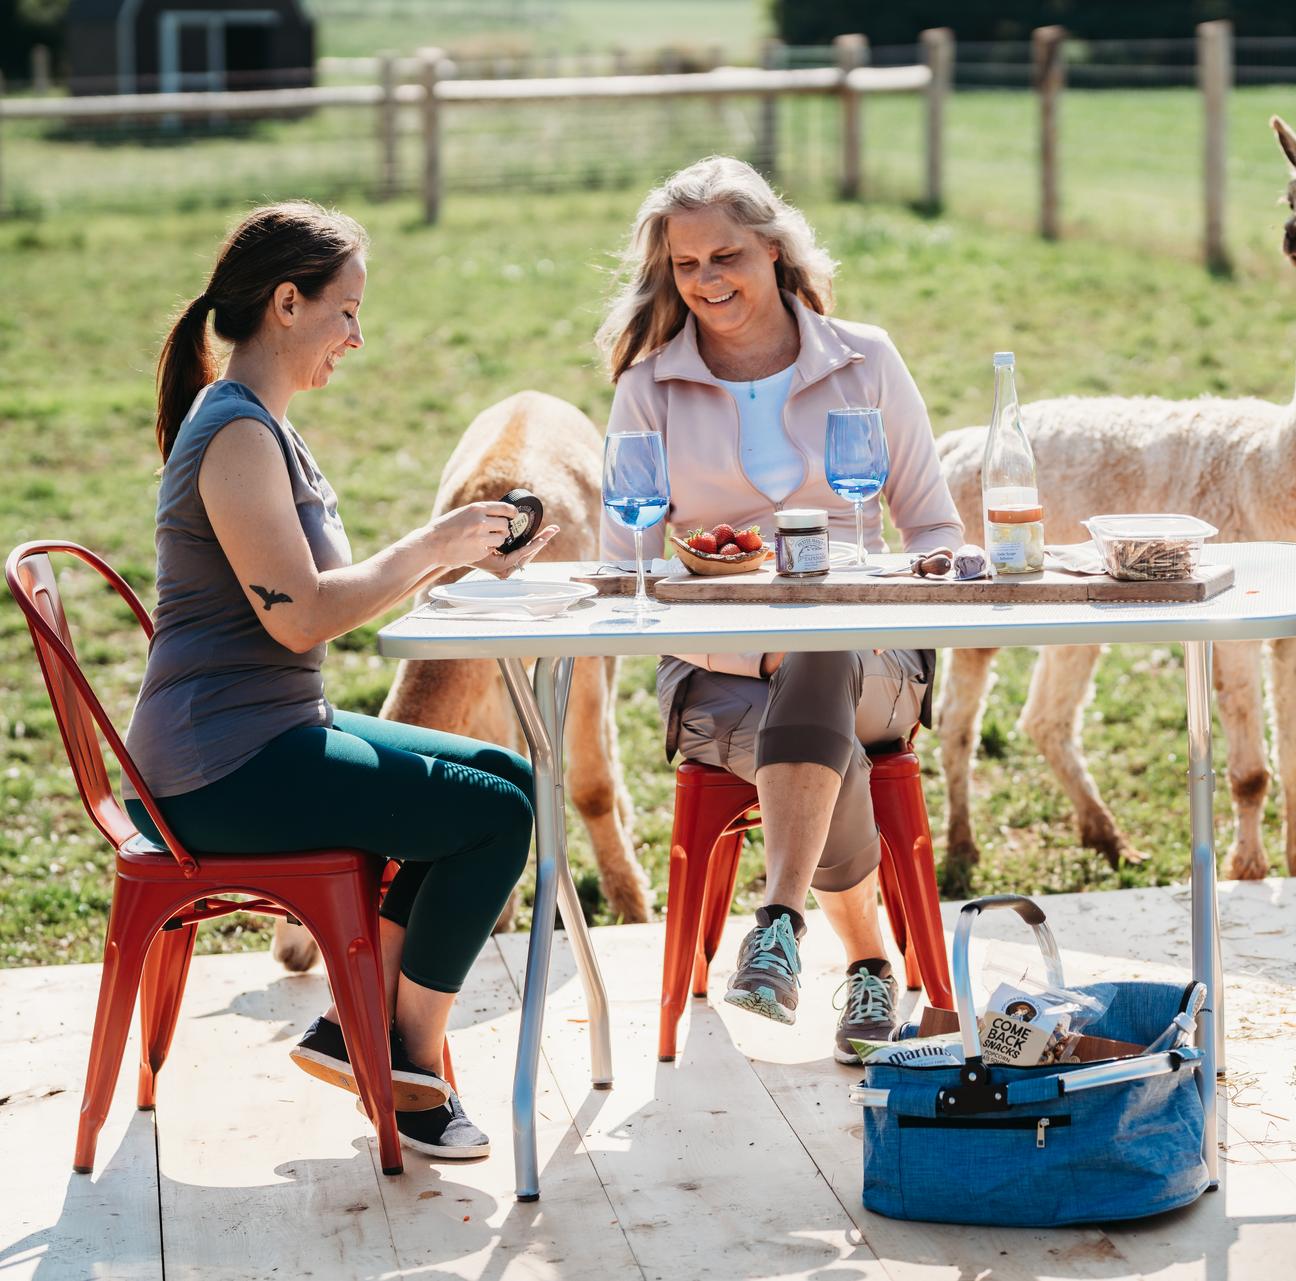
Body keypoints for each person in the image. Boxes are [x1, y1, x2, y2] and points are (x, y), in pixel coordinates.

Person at [124, 201, 559, 1159]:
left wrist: (456, 556)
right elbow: (303, 614)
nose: (358, 337)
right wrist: (433, 542)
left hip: (272, 733)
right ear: (288, 302)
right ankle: (409, 1063)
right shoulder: (236, 435)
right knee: (495, 820)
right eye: (347, 312)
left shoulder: (262, 425)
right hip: (220, 770)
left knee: (509, 779)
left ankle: (360, 1032)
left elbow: (320, 599)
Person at [597, 156, 963, 1063]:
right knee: (814, 659)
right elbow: (625, 569)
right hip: (713, 675)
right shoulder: (648, 388)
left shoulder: (865, 359)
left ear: (774, 249)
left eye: (727, 256)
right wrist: (749, 635)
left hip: (875, 658)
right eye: (686, 266)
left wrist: (919, 571)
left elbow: (931, 526)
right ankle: (869, 960)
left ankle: (779, 919)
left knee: (824, 643)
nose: (708, 281)